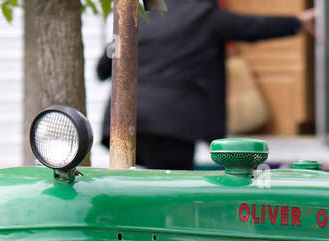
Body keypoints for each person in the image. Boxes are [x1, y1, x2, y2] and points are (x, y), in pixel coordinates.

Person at [97, 0, 316, 170]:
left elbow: (104, 66)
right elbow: (251, 27)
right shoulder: (204, 16)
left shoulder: (141, 17)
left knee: (137, 184)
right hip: (173, 125)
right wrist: (298, 22)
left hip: (125, 122)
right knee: (171, 191)